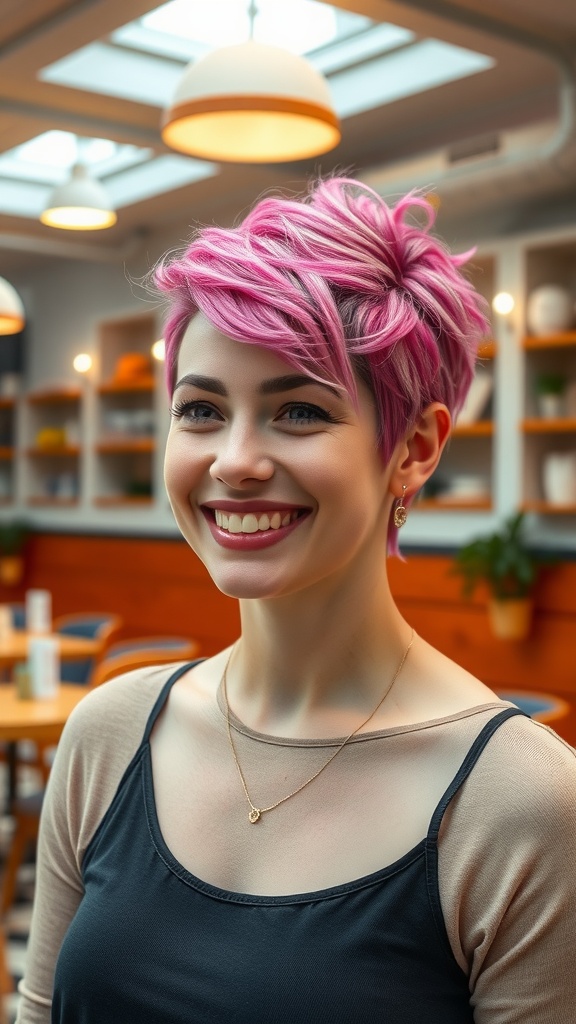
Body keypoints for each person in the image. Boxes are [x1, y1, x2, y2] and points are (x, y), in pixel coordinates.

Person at [17, 177, 576, 1023]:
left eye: (299, 412)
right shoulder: (109, 732)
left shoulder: (519, 803)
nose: (234, 460)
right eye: (200, 408)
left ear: (415, 448)